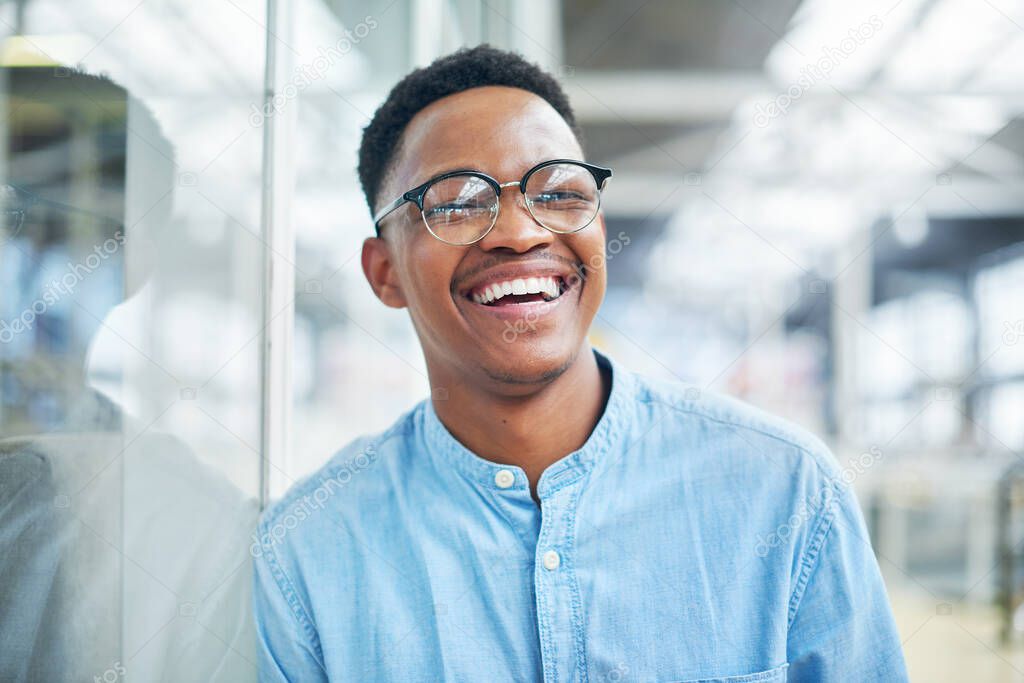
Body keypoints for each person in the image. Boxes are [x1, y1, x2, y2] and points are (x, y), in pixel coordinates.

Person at [252, 45, 909, 682]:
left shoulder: (787, 494)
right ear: (384, 271)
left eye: (559, 192)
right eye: (456, 202)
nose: (521, 231)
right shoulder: (310, 553)